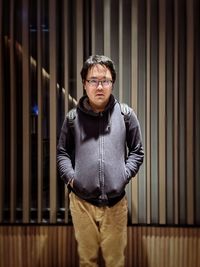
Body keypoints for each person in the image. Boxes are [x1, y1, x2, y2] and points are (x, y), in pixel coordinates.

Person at [57, 55, 144, 267]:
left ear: (112, 83)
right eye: (93, 80)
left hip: (116, 204)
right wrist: (72, 179)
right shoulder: (72, 119)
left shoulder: (126, 115)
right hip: (81, 203)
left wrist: (123, 175)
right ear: (84, 84)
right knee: (88, 261)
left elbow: (137, 151)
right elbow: (62, 154)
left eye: (105, 80)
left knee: (115, 261)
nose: (99, 86)